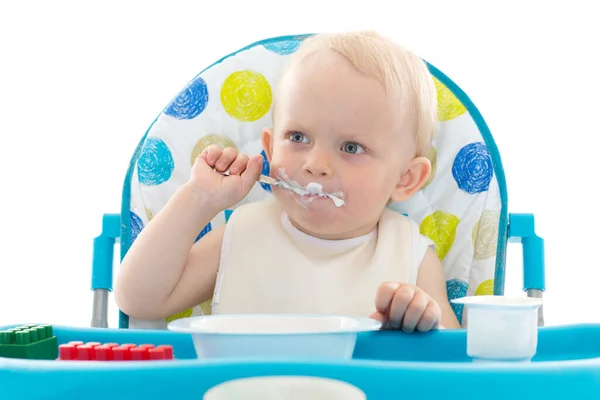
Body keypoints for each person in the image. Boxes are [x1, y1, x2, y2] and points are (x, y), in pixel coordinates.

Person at [115, 31, 461, 332]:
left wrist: (420, 322)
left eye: (351, 147)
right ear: (269, 148)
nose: (315, 164)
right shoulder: (242, 233)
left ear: (406, 179)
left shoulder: (410, 254)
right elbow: (139, 300)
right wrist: (198, 199)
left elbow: (456, 364)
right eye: (297, 138)